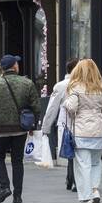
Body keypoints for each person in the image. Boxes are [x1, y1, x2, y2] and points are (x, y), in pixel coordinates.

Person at [0, 54, 43, 203]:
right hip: (20, 129)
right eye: (17, 64)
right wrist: (32, 126)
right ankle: (18, 196)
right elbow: (36, 107)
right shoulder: (27, 83)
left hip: (0, 130)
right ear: (14, 67)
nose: (18, 65)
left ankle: (4, 187)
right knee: (17, 161)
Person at [63, 59, 102, 203]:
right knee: (95, 163)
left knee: (82, 165)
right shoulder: (101, 87)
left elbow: (71, 107)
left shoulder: (75, 87)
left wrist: (66, 103)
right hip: (99, 131)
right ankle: (95, 190)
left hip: (81, 131)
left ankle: (85, 199)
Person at [42, 58, 80, 193]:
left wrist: (46, 127)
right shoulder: (68, 85)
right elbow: (52, 108)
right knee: (77, 153)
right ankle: (74, 180)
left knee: (72, 153)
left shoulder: (61, 85)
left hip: (66, 124)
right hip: (76, 124)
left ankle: (71, 179)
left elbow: (51, 108)